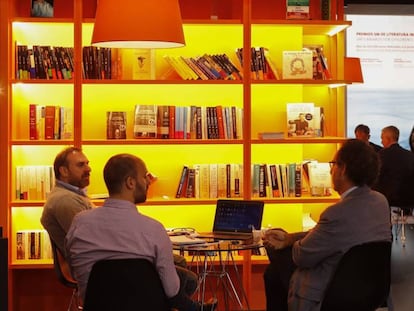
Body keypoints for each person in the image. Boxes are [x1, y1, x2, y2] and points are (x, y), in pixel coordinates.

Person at [65, 154, 216, 311]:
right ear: (130, 182)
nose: (149, 181)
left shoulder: (79, 223)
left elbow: (74, 268)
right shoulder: (153, 229)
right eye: (145, 176)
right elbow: (172, 291)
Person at [262, 139, 391, 311]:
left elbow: (302, 256)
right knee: (273, 273)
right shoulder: (380, 201)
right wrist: (290, 238)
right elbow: (331, 234)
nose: (330, 170)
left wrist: (288, 243)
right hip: (370, 292)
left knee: (273, 260)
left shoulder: (336, 213)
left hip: (331, 291)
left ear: (343, 168)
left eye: (333, 164)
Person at [41, 146, 94, 255]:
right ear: (64, 171)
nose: (88, 169)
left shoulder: (71, 196)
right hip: (90, 268)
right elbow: (90, 241)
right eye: (81, 165)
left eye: (87, 163)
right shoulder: (65, 200)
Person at [374, 125, 414, 215]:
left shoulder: (381, 156)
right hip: (409, 203)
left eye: (382, 138)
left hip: (387, 203)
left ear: (388, 139)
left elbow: (375, 179)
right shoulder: (410, 156)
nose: (381, 142)